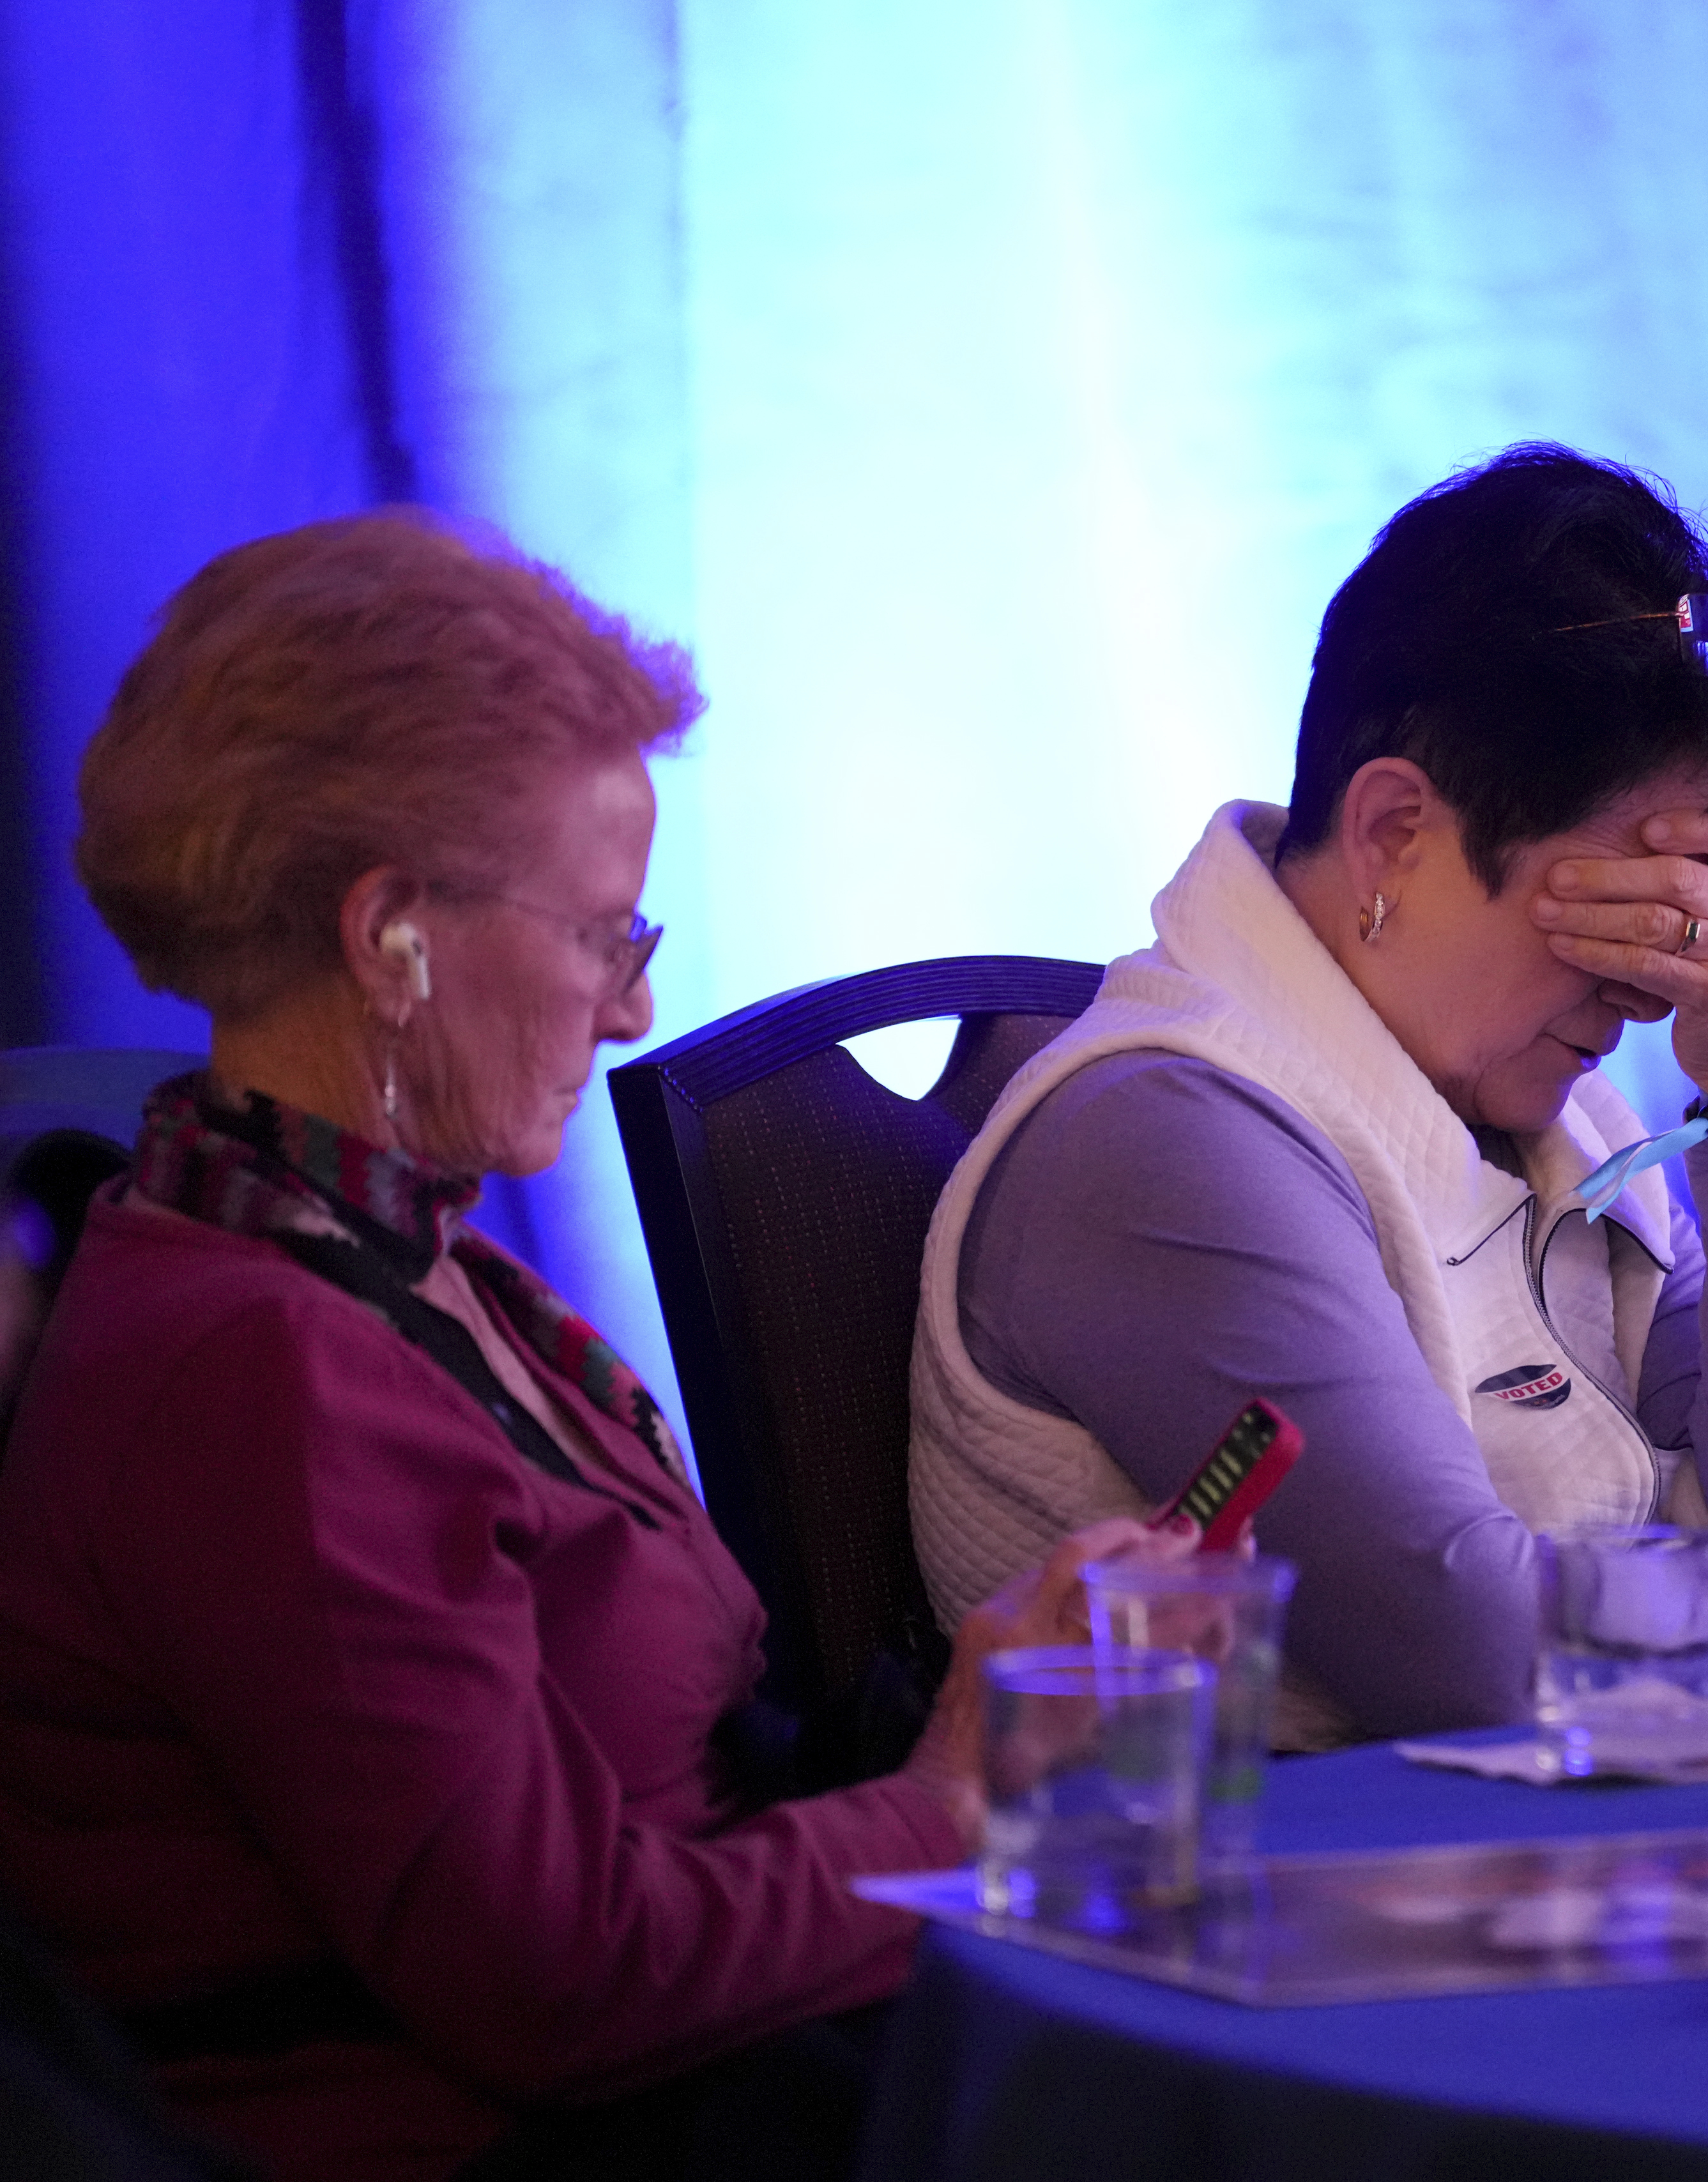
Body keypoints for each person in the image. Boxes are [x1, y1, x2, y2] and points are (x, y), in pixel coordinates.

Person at [0, 510, 1174, 2182]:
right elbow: (562, 1987)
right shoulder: (256, 1368)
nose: (628, 1010)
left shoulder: (394, 1261)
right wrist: (950, 1811)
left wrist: (981, 1712)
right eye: (598, 933)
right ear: (389, 935)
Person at [910, 445, 1708, 1743]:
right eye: (1617, 913)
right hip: (1232, 1914)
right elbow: (1474, 1656)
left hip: (1542, 1887)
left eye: (1692, 918)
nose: (1655, 991)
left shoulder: (1550, 1115)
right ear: (1394, 833)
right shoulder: (1164, 1138)